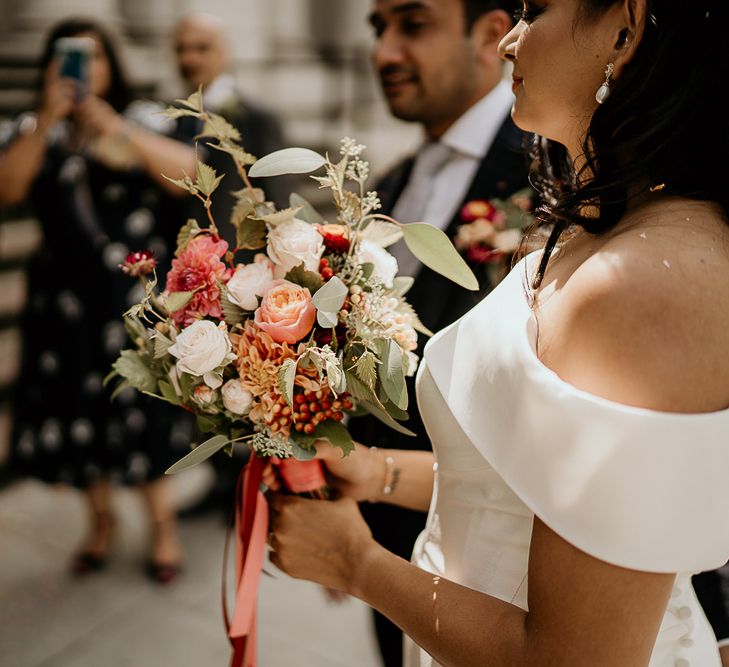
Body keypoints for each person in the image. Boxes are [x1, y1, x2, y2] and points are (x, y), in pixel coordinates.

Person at [266, 0, 729, 665]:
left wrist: (356, 564)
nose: (509, 42)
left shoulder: (639, 281)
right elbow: (525, 488)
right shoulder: (614, 228)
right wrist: (375, 472)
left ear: (625, 28)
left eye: (535, 9)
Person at [349, 1, 525, 662]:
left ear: (488, 35)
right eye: (377, 28)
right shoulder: (392, 179)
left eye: (412, 25)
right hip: (385, 546)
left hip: (501, 582)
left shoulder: (557, 173)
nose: (383, 52)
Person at [0, 18, 197, 583]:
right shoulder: (32, 127)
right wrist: (48, 120)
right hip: (63, 299)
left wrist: (110, 126)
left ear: (113, 64)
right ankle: (101, 523)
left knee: (146, 409)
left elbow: (186, 174)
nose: (82, 69)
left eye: (94, 57)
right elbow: (9, 189)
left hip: (133, 295)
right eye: (67, 58)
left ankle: (162, 527)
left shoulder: (141, 119)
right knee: (78, 411)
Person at [173, 12, 291, 245]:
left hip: (236, 262)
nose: (189, 59)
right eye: (181, 49)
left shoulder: (258, 118)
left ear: (225, 53)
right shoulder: (174, 116)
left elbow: (280, 204)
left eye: (202, 48)